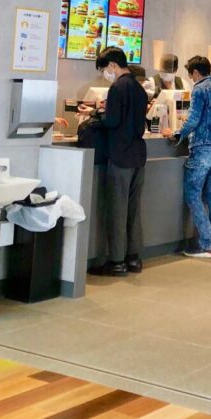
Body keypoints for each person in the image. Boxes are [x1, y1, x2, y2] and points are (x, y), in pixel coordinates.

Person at [89, 46, 149, 277]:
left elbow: (113, 121)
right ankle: (133, 258)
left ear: (113, 65)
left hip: (120, 155)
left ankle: (116, 261)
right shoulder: (139, 88)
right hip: (138, 155)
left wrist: (94, 115)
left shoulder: (117, 88)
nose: (105, 73)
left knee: (117, 209)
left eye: (104, 69)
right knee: (133, 210)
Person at [172, 55, 211, 258]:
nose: (191, 78)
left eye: (191, 75)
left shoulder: (199, 89)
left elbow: (193, 119)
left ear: (196, 73)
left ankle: (205, 244)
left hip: (201, 148)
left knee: (193, 194)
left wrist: (179, 133)